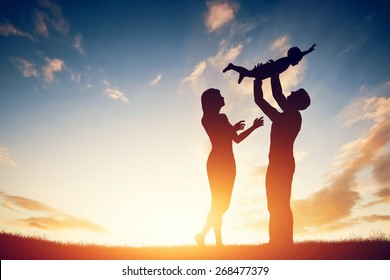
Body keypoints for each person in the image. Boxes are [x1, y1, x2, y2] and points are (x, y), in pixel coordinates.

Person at [195, 88, 264, 247]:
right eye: (219, 96)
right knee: (218, 204)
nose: (223, 97)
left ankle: (203, 235)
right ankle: (217, 242)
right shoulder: (209, 119)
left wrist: (252, 127)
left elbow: (236, 139)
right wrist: (233, 129)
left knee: (223, 204)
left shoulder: (221, 118)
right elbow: (225, 135)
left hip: (228, 162)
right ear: (212, 101)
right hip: (218, 162)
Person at [253, 70, 310, 247]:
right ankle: (277, 242)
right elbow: (267, 99)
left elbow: (270, 98)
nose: (290, 93)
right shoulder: (288, 115)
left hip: (281, 164)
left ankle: (284, 242)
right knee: (275, 204)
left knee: (281, 204)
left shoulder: (291, 116)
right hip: (279, 163)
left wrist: (272, 74)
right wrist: (265, 77)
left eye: (294, 94)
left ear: (297, 102)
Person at [223, 44, 316, 84]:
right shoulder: (286, 61)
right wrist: (307, 51)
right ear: (294, 57)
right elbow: (275, 67)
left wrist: (307, 51)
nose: (297, 63)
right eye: (298, 60)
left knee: (250, 74)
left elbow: (297, 55)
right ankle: (233, 66)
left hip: (268, 71)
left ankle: (240, 72)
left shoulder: (287, 61)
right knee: (250, 73)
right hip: (266, 69)